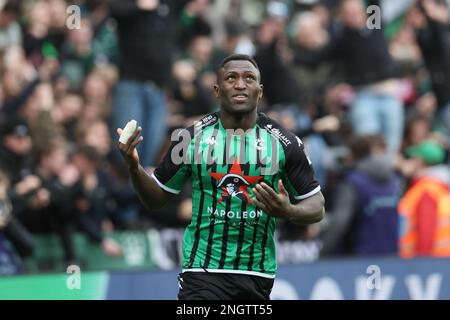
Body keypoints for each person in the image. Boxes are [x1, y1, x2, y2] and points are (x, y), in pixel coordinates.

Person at [117, 54, 325, 300]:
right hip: (202, 270)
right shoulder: (189, 137)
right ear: (217, 90)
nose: (240, 84)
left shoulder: (285, 143)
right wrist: (134, 167)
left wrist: (288, 210)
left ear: (260, 91)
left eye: (249, 78)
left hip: (257, 274)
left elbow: (316, 205)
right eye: (231, 78)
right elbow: (155, 198)